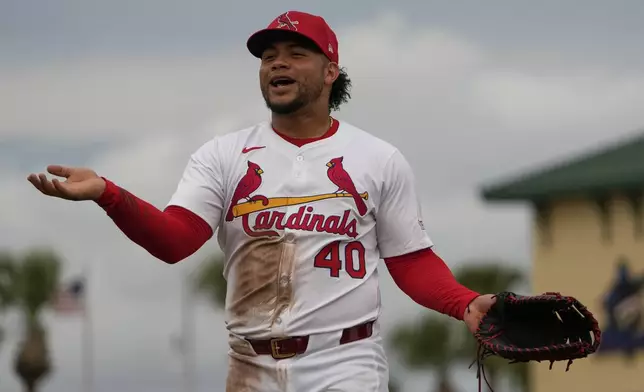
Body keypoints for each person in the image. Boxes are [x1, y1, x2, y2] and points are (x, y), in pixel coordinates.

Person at [27, 10, 496, 392]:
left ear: (331, 71)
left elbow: (411, 260)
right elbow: (175, 241)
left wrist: (464, 303)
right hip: (250, 366)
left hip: (345, 362)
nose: (278, 63)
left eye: (296, 54)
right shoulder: (224, 155)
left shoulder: (378, 157)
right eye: (269, 56)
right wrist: (109, 193)